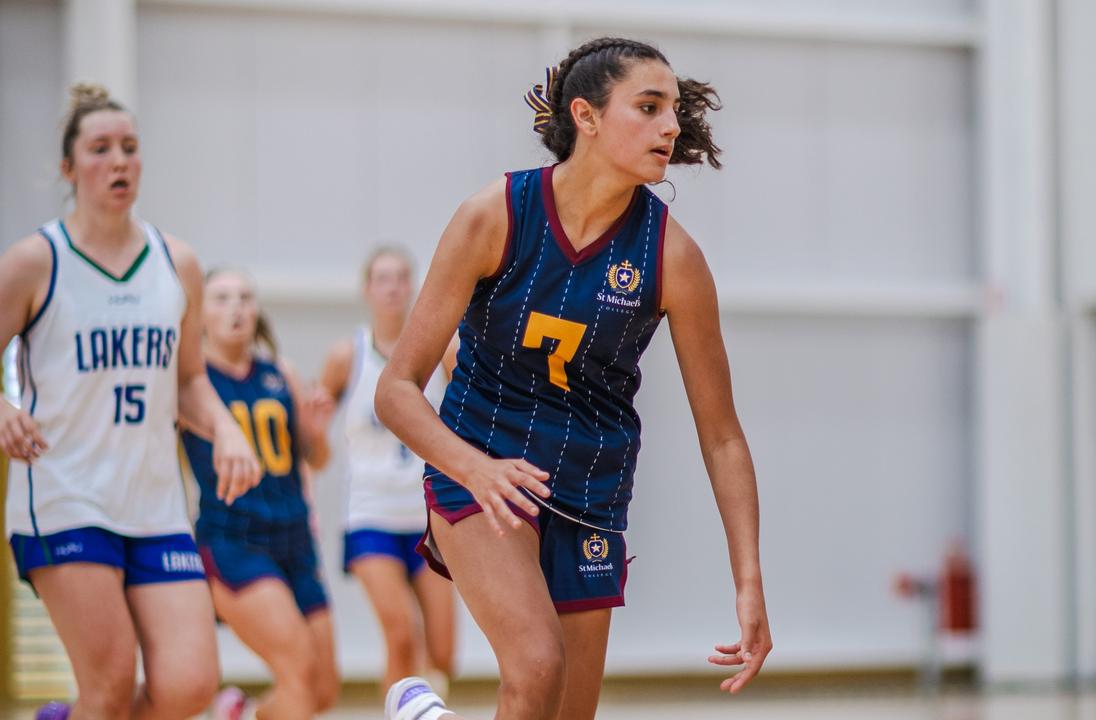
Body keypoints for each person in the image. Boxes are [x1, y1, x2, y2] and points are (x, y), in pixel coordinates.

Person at [375, 37, 772, 720]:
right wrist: (473, 468)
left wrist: (749, 580)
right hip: (485, 470)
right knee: (536, 666)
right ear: (585, 117)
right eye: (648, 108)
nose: (671, 126)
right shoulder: (494, 215)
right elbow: (396, 389)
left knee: (561, 710)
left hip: (591, 490)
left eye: (673, 109)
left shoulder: (673, 256)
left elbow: (724, 437)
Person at [0, 83, 261, 720]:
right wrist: (4, 406)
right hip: (63, 500)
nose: (119, 161)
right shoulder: (37, 261)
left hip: (154, 505)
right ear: (69, 168)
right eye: (100, 149)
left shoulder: (177, 263)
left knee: (190, 686)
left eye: (130, 147)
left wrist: (225, 430)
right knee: (111, 687)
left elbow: (190, 380)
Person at [182, 269, 340, 720]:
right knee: (299, 669)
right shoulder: (191, 382)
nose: (236, 308)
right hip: (235, 539)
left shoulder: (279, 372)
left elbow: (316, 458)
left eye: (245, 298)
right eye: (222, 298)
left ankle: (242, 714)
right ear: (200, 316)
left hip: (295, 539)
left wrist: (316, 434)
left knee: (323, 690)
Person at [318, 247, 457, 693]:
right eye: (383, 278)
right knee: (400, 633)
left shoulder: (441, 351)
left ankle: (421, 704)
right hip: (371, 513)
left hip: (429, 516)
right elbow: (315, 442)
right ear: (367, 289)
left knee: (441, 653)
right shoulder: (346, 356)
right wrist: (310, 420)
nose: (393, 286)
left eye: (401, 277)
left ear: (413, 285)